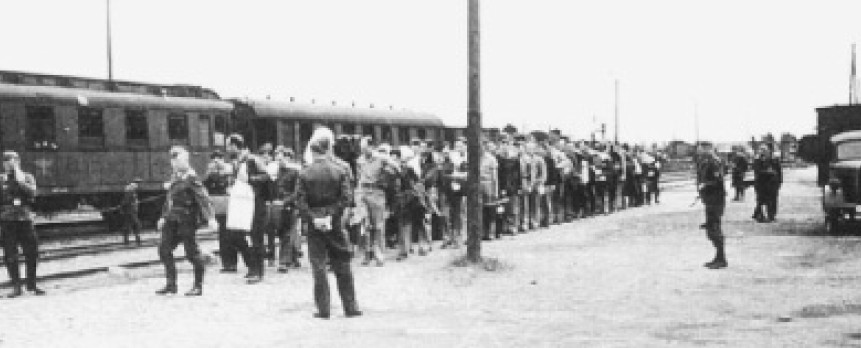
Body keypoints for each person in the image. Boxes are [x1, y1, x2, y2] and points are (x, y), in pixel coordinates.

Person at [296, 127, 362, 319]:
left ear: (313, 150)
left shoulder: (305, 173)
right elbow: (346, 199)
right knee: (342, 264)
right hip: (334, 224)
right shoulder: (340, 170)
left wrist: (314, 218)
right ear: (328, 149)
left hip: (315, 226)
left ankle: (323, 309)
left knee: (318, 267)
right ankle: (351, 307)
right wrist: (331, 216)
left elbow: (300, 201)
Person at [156, 146, 216, 296]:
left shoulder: (191, 178)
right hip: (172, 220)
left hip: (187, 219)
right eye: (174, 161)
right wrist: (163, 216)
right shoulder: (175, 177)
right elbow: (169, 199)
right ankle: (171, 285)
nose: (176, 163)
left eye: (180, 160)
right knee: (164, 249)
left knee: (192, 254)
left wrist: (211, 218)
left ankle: (198, 286)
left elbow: (203, 198)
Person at [1, 151, 44, 297]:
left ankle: (32, 285)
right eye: (6, 162)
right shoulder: (1, 179)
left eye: (12, 161)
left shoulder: (27, 177)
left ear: (18, 162)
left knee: (32, 253)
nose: (9, 164)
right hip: (8, 222)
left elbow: (33, 193)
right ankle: (16, 287)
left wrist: (19, 180)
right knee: (10, 255)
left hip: (25, 220)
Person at [355, 137, 397, 266]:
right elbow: (358, 177)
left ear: (371, 147)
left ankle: (379, 255)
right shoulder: (360, 160)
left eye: (365, 148)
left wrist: (385, 178)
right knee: (365, 224)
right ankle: (367, 254)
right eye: (361, 148)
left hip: (377, 194)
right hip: (363, 193)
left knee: (378, 226)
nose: (363, 150)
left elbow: (396, 169)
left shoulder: (382, 158)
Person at [697, 144, 728, 269]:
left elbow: (718, 181)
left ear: (708, 149)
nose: (699, 151)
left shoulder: (714, 162)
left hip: (716, 199)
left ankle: (721, 259)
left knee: (715, 228)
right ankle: (718, 257)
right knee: (711, 229)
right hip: (710, 200)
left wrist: (705, 185)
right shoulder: (705, 162)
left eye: (701, 148)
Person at [273, 147, 302, 273]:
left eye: (282, 158)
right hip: (277, 206)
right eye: (277, 159)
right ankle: (294, 257)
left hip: (290, 205)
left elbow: (297, 192)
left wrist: (285, 201)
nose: (280, 161)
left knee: (287, 233)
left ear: (288, 158)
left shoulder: (295, 172)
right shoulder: (275, 172)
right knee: (283, 232)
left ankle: (283, 262)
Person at [752, 144, 782, 222]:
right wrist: (769, 172)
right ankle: (761, 215)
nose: (763, 151)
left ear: (768, 150)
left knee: (773, 200)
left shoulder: (774, 159)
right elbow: (757, 171)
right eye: (761, 149)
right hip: (761, 183)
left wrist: (779, 182)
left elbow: (779, 171)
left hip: (773, 183)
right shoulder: (758, 159)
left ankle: (771, 216)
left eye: (764, 150)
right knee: (762, 200)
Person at [120, 178, 143, 246]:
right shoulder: (130, 191)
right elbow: (126, 202)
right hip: (130, 211)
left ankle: (127, 241)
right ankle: (137, 240)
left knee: (128, 225)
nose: (138, 185)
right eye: (137, 183)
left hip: (130, 211)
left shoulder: (131, 191)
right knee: (137, 225)